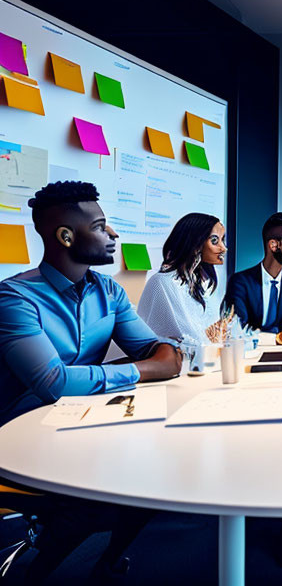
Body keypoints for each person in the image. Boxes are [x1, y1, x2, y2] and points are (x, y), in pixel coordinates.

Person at [0, 180, 180, 580]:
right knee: (104, 498)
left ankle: (102, 566)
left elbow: (164, 355)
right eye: (101, 226)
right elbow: (54, 383)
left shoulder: (109, 292)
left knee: (158, 473)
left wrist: (152, 361)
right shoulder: (15, 299)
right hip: (18, 437)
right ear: (65, 236)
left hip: (83, 426)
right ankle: (37, 572)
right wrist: (138, 369)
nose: (113, 234)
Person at [225, 211, 282, 345]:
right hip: (251, 353)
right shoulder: (241, 282)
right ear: (273, 245)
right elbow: (237, 332)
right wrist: (278, 339)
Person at [137, 212, 228, 344]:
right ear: (195, 243)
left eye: (222, 240)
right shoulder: (163, 283)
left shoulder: (204, 282)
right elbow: (189, 338)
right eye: (214, 240)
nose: (223, 248)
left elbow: (212, 335)